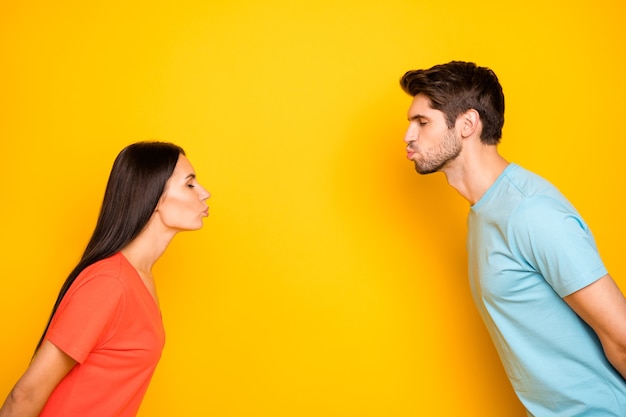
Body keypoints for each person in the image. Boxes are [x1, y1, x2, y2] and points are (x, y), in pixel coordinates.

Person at [399, 61, 626, 416]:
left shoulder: (530, 212)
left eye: (422, 122)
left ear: (467, 125)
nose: (408, 136)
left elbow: (622, 337)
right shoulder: (485, 212)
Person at [0, 141, 210, 417]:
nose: (205, 193)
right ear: (155, 196)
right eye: (190, 184)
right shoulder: (110, 283)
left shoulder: (139, 278)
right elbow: (24, 395)